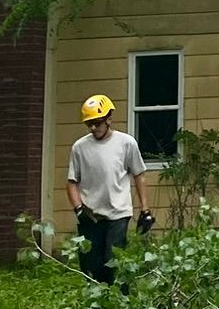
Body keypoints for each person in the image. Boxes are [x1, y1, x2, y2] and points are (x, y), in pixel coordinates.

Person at [66, 95, 154, 286]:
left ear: (108, 119)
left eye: (97, 123)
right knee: (91, 265)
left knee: (113, 261)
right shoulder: (79, 148)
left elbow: (139, 176)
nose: (93, 128)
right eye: (89, 124)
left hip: (118, 212)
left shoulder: (126, 143)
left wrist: (145, 210)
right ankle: (96, 305)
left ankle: (120, 303)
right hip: (91, 215)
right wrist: (78, 208)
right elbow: (72, 182)